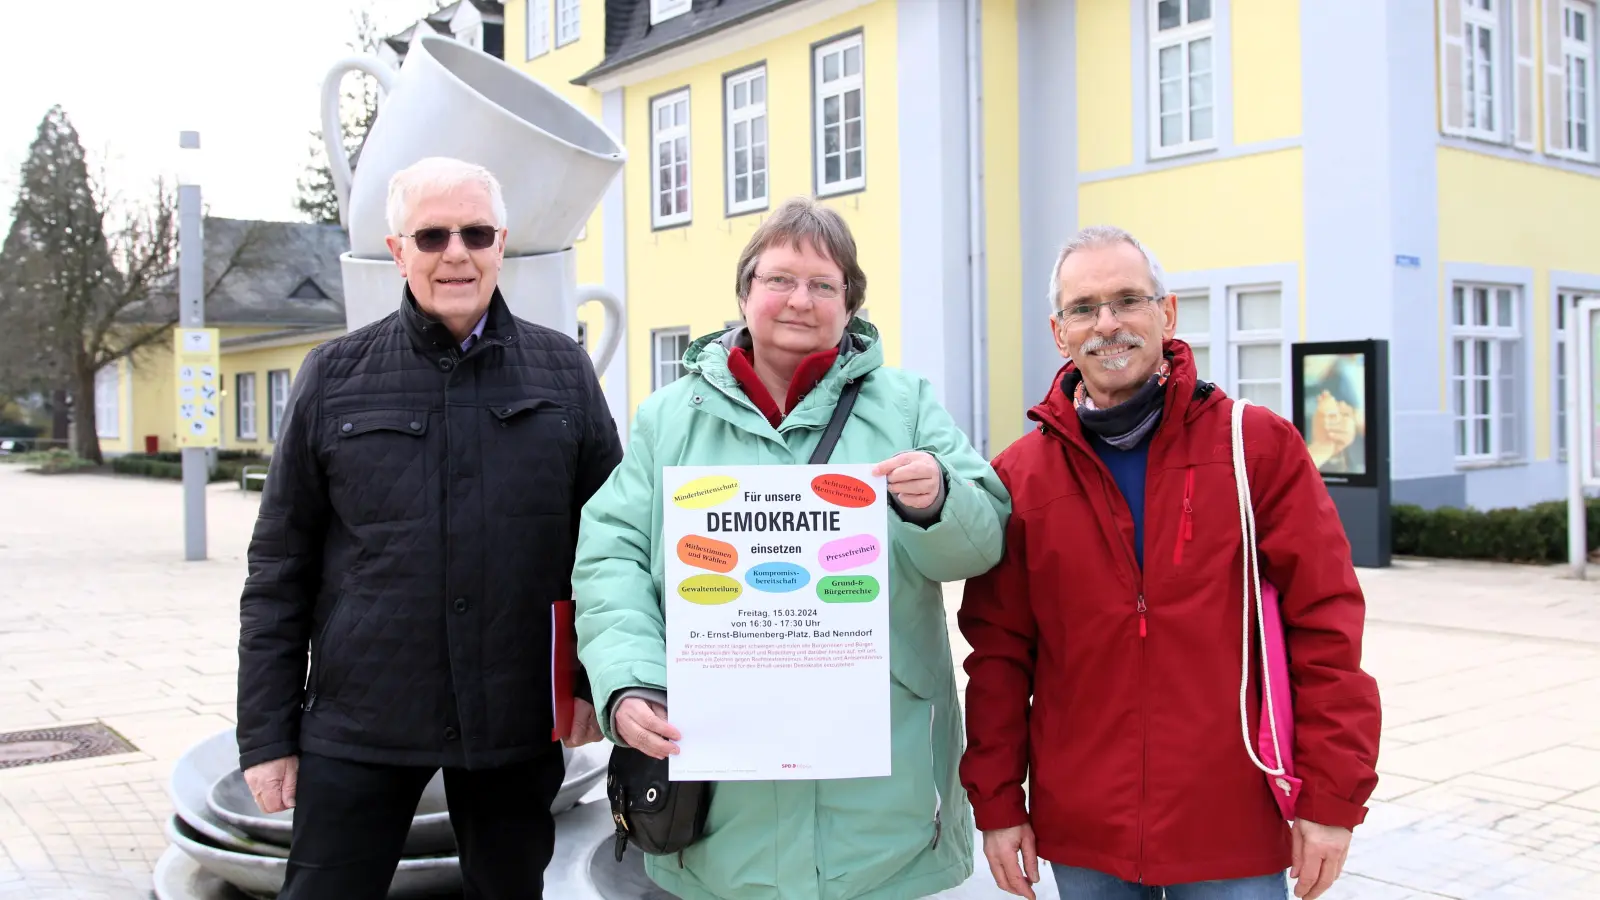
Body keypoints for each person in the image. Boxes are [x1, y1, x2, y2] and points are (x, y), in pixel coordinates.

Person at [571, 196, 1012, 900]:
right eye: (779, 279)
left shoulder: (907, 407)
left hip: (880, 797)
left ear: (850, 303)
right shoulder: (667, 419)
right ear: (745, 293)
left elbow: (982, 543)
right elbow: (610, 557)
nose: (799, 300)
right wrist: (628, 680)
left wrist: (937, 503)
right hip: (720, 806)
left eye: (823, 284)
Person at [957, 226, 1381, 900]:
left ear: (1168, 313)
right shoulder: (1021, 475)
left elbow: (1326, 627)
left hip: (1232, 824)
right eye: (1083, 308)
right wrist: (1000, 804)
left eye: (1129, 299)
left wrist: (1332, 799)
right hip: (1083, 831)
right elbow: (1000, 656)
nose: (1108, 324)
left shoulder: (1256, 446)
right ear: (1059, 331)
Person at [235, 156, 619, 899]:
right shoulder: (334, 375)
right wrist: (266, 735)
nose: (456, 254)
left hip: (514, 718)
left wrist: (592, 686)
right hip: (361, 719)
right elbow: (278, 569)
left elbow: (608, 551)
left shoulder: (562, 371)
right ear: (397, 250)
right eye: (433, 235)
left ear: (501, 243)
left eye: (476, 234)